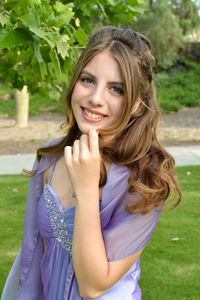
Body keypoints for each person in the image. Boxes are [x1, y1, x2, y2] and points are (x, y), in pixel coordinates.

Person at [1, 26, 181, 300]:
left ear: (136, 104)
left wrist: (86, 190)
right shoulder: (50, 156)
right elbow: (32, 256)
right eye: (88, 80)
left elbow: (93, 286)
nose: (96, 98)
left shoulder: (145, 181)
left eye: (116, 89)